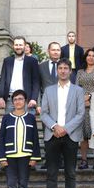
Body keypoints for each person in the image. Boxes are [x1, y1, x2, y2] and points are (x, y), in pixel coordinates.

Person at [39, 58, 85, 188]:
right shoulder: (49, 90)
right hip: (52, 136)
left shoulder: (78, 90)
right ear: (57, 71)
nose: (63, 71)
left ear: (70, 71)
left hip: (70, 136)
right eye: (61, 68)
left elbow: (81, 114)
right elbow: (43, 113)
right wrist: (54, 127)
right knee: (51, 173)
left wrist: (65, 128)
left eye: (66, 68)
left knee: (70, 174)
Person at [0, 90, 41, 188]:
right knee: (11, 185)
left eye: (21, 99)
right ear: (12, 102)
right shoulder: (6, 118)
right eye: (15, 99)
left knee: (23, 184)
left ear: (26, 101)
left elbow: (35, 139)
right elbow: (2, 138)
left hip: (26, 156)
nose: (18, 101)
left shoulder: (31, 118)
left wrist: (34, 157)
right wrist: (2, 157)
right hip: (10, 156)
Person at [0, 36, 40, 114]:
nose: (18, 47)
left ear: (24, 46)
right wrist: (0, 97)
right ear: (13, 46)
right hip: (10, 100)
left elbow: (36, 82)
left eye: (20, 45)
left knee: (27, 125)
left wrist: (34, 99)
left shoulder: (32, 61)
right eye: (16, 45)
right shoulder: (7, 61)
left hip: (27, 100)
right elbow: (2, 80)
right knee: (10, 124)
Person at [76, 49, 94, 169]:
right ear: (85, 57)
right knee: (84, 135)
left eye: (93, 56)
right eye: (89, 55)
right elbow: (77, 87)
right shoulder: (80, 72)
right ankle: (84, 160)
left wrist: (90, 97)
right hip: (82, 106)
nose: (91, 57)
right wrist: (83, 100)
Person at [37, 41, 62, 170]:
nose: (56, 52)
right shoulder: (41, 66)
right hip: (46, 106)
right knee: (48, 134)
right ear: (48, 51)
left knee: (62, 133)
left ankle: (61, 161)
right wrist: (38, 104)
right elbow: (37, 86)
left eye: (58, 50)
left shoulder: (65, 66)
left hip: (63, 106)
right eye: (53, 50)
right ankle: (49, 160)